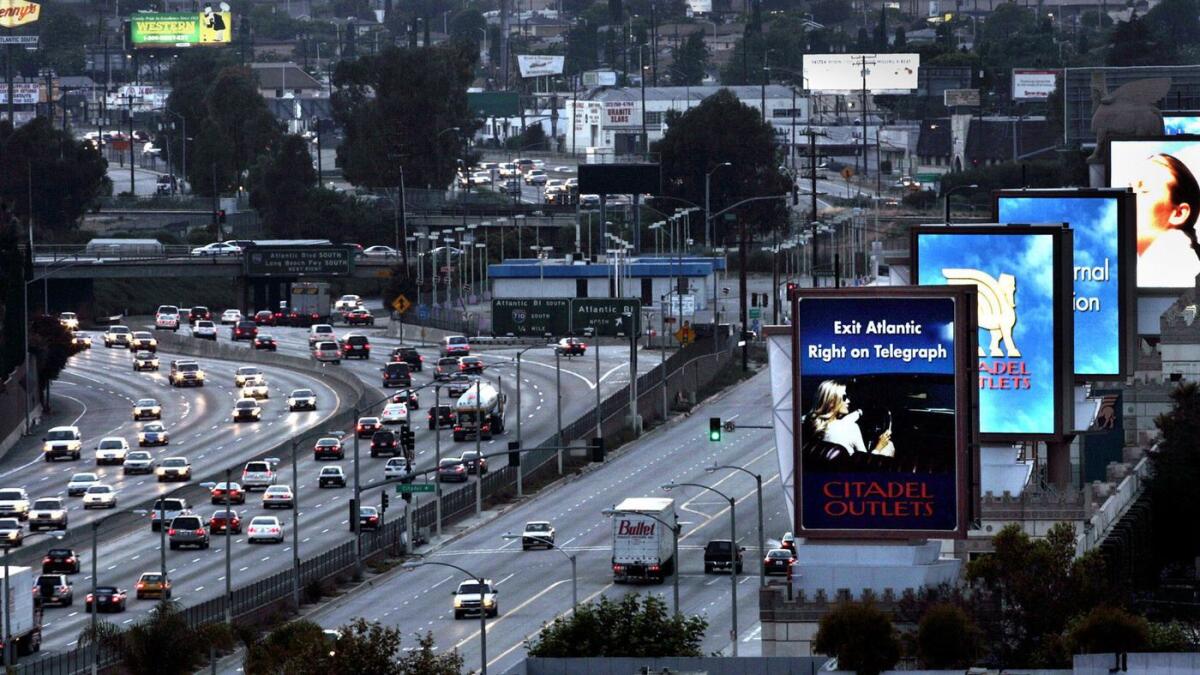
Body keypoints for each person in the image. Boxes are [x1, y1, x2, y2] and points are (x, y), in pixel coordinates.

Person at [1130, 153, 1200, 287]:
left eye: (1144, 191)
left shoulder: (1177, 269)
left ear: (1179, 213)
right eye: (1129, 188)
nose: (1129, 195)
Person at [802, 380, 893, 468]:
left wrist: (860, 411)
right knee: (889, 445)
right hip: (851, 473)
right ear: (832, 402)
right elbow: (866, 462)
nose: (849, 401)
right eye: (844, 397)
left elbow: (843, 422)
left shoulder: (805, 421)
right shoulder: (851, 428)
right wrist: (879, 446)